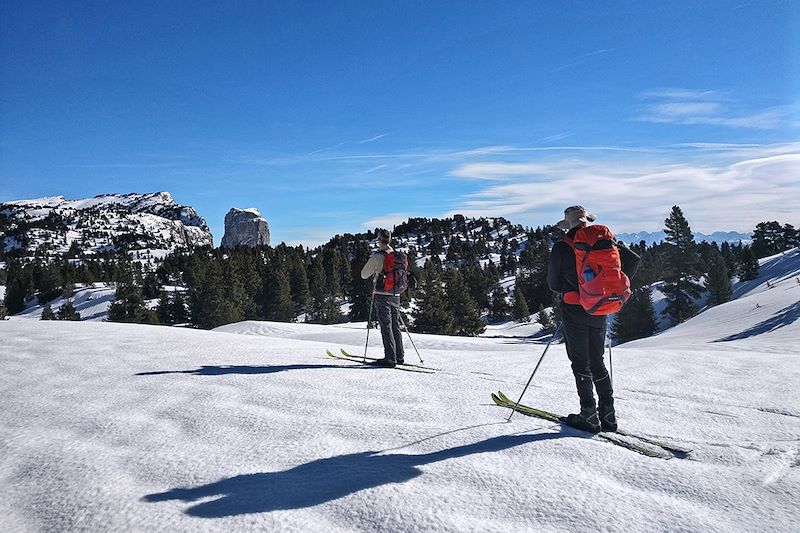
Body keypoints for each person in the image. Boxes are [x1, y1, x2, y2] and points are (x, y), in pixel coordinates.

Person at [547, 206, 640, 432]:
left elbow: (554, 284)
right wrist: (609, 286)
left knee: (580, 362)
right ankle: (608, 415)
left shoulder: (562, 247)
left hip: (573, 309)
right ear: (586, 221)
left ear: (567, 224)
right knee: (597, 361)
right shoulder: (606, 241)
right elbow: (634, 260)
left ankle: (588, 414)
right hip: (599, 306)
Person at [361, 229, 405, 368]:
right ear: (390, 240)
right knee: (395, 325)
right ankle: (399, 356)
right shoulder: (396, 255)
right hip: (396, 294)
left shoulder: (378, 256)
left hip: (382, 294)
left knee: (386, 325)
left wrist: (376, 270)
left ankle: (390, 358)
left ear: (379, 240)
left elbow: (364, 274)